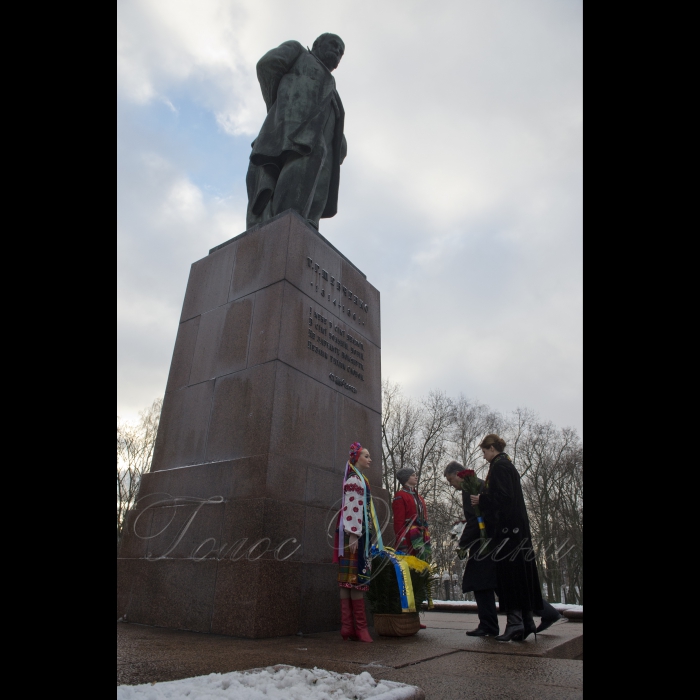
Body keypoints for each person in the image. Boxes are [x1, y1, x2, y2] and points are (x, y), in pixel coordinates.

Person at [246, 33, 347, 231]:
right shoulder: (299, 52)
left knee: (301, 217)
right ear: (317, 44)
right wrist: (279, 113)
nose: (337, 52)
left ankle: (297, 230)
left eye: (341, 52)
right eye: (334, 45)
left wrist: (340, 145)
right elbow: (268, 65)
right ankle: (284, 230)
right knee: (284, 218)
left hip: (318, 157)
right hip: (293, 136)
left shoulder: (334, 92)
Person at [472, 434, 545, 641]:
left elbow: (504, 497)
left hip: (508, 531)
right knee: (520, 575)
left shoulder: (500, 467)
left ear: (493, 448)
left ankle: (515, 623)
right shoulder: (507, 465)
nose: (484, 456)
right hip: (515, 529)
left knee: (510, 576)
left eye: (485, 451)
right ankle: (527, 621)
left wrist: (481, 499)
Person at [444, 461, 500, 637]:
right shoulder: (480, 484)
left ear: (459, 474)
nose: (452, 485)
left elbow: (476, 521)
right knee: (494, 584)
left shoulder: (470, 488)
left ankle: (488, 625)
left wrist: (462, 544)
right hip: (492, 540)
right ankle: (489, 624)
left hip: (483, 543)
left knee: (481, 583)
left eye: (451, 480)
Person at [334, 442, 377, 643]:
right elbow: (351, 507)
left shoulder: (359, 479)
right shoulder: (355, 480)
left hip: (358, 532)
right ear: (357, 458)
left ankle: (349, 627)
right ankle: (358, 628)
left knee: (349, 578)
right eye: (366, 455)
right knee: (355, 578)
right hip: (356, 535)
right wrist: (353, 533)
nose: (370, 459)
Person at [392, 468, 432, 562]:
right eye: (413, 475)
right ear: (406, 477)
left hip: (421, 535)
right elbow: (398, 521)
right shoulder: (400, 496)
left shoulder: (420, 498)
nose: (416, 477)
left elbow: (424, 518)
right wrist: (402, 541)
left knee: (422, 563)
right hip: (409, 537)